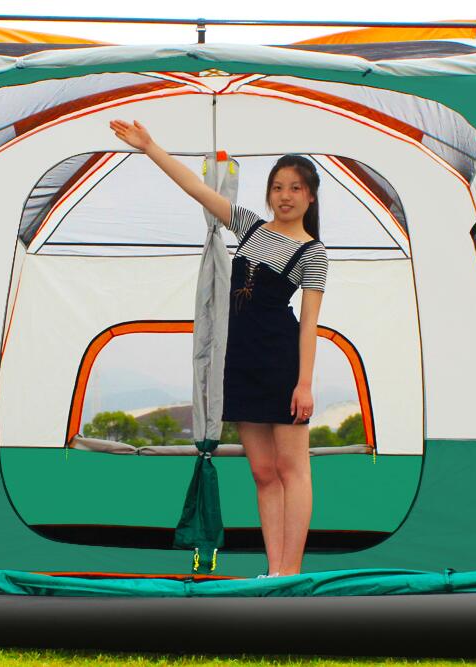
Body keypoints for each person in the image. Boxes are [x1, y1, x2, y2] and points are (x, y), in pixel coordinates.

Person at [109, 119, 328, 577]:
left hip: (282, 366)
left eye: (296, 188)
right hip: (241, 364)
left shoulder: (313, 252)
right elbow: (195, 188)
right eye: (278, 187)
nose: (285, 195)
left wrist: (304, 384)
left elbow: (309, 325)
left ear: (310, 196)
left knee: (293, 471)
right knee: (262, 472)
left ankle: (291, 572)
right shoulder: (249, 226)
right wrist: (150, 146)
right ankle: (273, 570)